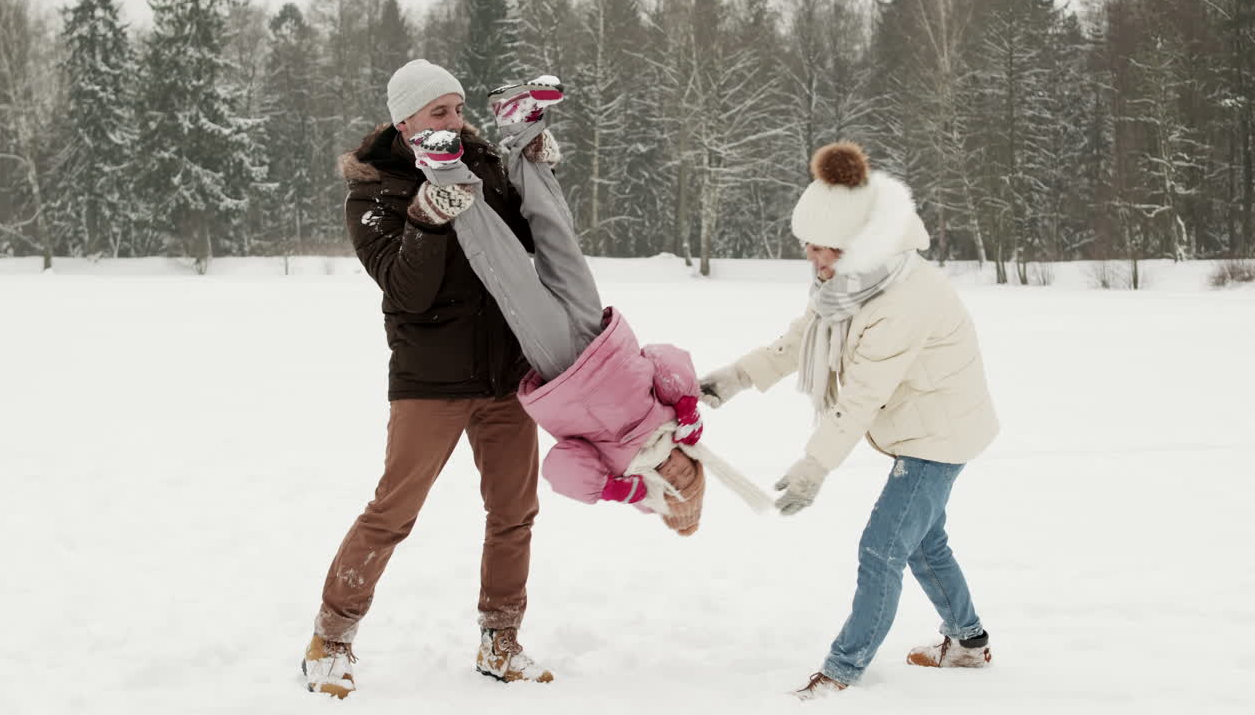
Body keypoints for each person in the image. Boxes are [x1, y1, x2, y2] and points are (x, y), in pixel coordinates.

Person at [698, 142, 1000, 698]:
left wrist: (815, 466)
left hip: (939, 432)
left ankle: (841, 670)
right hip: (917, 426)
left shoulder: (905, 299)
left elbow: (862, 394)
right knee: (924, 541)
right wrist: (730, 380)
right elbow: (795, 343)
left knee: (882, 547)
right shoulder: (847, 286)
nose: (815, 262)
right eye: (810, 249)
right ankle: (968, 642)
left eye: (825, 250)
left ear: (859, 245)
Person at [405, 77, 771, 537]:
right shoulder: (678, 423)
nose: (676, 474)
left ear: (655, 491)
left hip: (563, 369)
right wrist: (686, 404)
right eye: (688, 476)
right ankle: (519, 127)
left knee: (507, 268)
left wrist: (616, 489)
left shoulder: (616, 472)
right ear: (697, 463)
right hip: (601, 334)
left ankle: (443, 170)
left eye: (671, 486)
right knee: (559, 236)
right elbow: (663, 358)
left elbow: (561, 468)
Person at [301, 59, 552, 698]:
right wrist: (424, 216)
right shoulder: (374, 191)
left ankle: (501, 639)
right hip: (430, 381)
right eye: (439, 113)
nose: (455, 123)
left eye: (459, 109)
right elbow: (408, 292)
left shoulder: (483, 163)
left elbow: (534, 238)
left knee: (514, 512)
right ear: (405, 120)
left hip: (504, 374)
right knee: (394, 511)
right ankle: (331, 639)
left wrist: (536, 168)